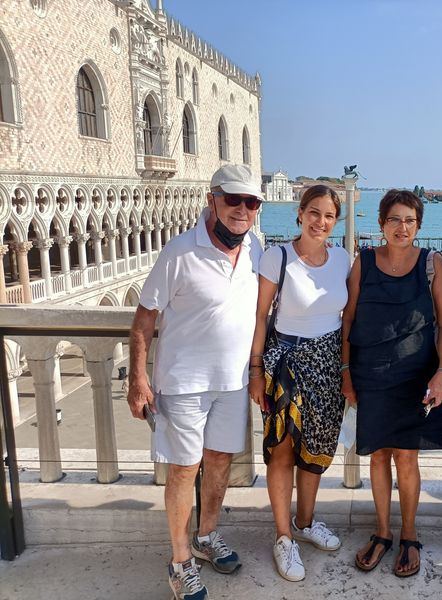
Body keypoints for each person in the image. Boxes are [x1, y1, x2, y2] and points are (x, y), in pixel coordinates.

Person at [127, 164, 264, 600]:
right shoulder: (179, 251)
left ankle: (207, 536)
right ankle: (180, 560)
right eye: (233, 199)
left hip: (234, 381)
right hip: (183, 383)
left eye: (252, 202)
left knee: (220, 461)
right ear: (213, 200)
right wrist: (137, 378)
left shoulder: (257, 248)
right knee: (184, 469)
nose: (242, 209)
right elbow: (144, 318)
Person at [341, 190, 442, 578]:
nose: (401, 227)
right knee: (377, 455)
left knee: (406, 456)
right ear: (381, 224)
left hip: (416, 375)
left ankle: (409, 534)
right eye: (394, 219)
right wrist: (345, 372)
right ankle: (382, 532)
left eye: (409, 220)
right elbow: (349, 319)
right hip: (370, 373)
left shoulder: (432, 263)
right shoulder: (364, 262)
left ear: (418, 226)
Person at [248, 184, 350, 582]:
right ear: (300, 213)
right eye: (314, 212)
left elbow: (348, 320)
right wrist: (256, 370)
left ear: (335, 221)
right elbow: (260, 316)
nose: (320, 221)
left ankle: (306, 523)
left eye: (328, 216)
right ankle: (283, 536)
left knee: (317, 450)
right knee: (282, 451)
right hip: (286, 362)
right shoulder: (279, 257)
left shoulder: (342, 258)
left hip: (326, 365)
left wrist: (345, 369)